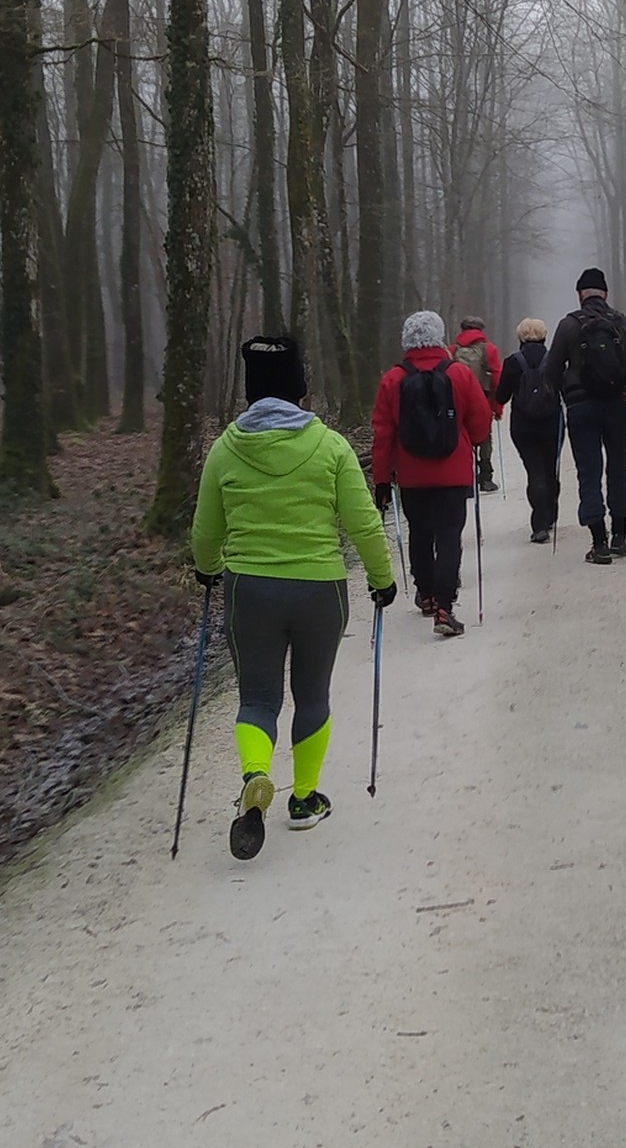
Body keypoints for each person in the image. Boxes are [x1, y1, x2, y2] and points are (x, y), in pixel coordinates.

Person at [191, 332, 396, 860]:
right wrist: (381, 579)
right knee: (313, 695)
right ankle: (303, 800)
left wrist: (208, 570)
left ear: (251, 390)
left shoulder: (225, 450)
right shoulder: (330, 447)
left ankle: (256, 778)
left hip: (249, 591)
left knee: (257, 698)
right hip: (318, 590)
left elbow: (205, 532)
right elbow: (365, 524)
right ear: (299, 389)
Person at [371, 311, 492, 638]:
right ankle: (445, 607)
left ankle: (425, 594)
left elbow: (382, 434)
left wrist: (382, 479)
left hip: (412, 476)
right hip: (453, 473)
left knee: (420, 533)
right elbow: (480, 421)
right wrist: (473, 443)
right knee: (450, 535)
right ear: (439, 337)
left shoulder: (392, 379)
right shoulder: (459, 374)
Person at [543, 267, 626, 564]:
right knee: (618, 468)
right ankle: (619, 536)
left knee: (588, 472)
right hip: (619, 407)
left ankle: (599, 543)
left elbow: (550, 372)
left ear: (580, 295)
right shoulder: (623, 324)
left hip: (581, 408)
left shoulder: (568, 326)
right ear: (605, 293)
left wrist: (562, 394)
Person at [496, 317, 562, 541]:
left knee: (534, 471)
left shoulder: (512, 362)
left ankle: (540, 524)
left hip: (523, 427)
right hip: (551, 423)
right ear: (544, 336)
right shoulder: (553, 359)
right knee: (549, 468)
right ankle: (550, 513)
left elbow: (501, 396)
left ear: (520, 338)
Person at [452, 317, 503, 492]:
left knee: (463, 437)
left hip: (458, 400)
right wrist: (497, 407)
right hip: (483, 398)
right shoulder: (489, 349)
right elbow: (497, 378)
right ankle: (486, 477)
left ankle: (466, 480)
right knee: (484, 436)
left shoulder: (452, 350)